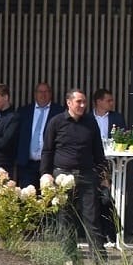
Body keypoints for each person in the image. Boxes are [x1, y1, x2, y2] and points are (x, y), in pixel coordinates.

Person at [43, 88, 108, 254]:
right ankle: (68, 256)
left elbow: (98, 150)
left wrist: (102, 174)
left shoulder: (90, 122)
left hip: (87, 174)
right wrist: (46, 173)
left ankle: (99, 258)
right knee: (65, 217)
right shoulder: (56, 122)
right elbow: (48, 150)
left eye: (84, 102)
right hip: (62, 174)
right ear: (69, 102)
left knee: (92, 216)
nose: (82, 105)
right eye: (79, 101)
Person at [20, 80, 56, 189]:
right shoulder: (24, 111)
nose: (43, 95)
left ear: (50, 94)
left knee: (47, 198)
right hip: (27, 164)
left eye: (46, 92)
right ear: (35, 94)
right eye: (40, 92)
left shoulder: (59, 112)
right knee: (27, 198)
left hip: (49, 164)